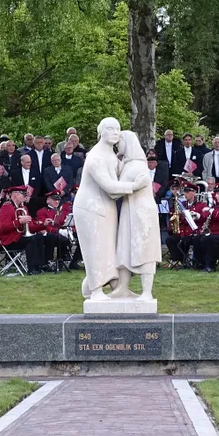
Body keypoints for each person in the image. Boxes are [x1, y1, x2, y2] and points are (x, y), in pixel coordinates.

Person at [73, 117, 149, 300]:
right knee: (95, 248)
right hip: (90, 207)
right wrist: (135, 185)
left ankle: (117, 288)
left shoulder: (111, 155)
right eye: (110, 128)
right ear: (100, 132)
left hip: (107, 207)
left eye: (117, 129)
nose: (115, 132)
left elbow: (120, 177)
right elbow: (110, 187)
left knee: (109, 249)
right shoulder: (95, 156)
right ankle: (96, 290)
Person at [113, 130, 162, 299]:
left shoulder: (136, 165)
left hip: (141, 213)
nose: (117, 145)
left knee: (144, 249)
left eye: (119, 142)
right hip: (131, 210)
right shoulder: (130, 164)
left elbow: (116, 191)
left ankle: (146, 292)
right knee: (125, 247)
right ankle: (123, 287)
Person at [0, 185, 47, 275]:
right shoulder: (7, 207)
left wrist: (43, 225)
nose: (25, 196)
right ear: (15, 195)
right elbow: (3, 227)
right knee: (31, 240)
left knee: (38, 237)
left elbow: (30, 227)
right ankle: (32, 268)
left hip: (19, 237)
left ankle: (41, 266)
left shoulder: (23, 208)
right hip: (9, 240)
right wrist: (19, 221)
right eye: (23, 194)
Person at [165, 183, 205, 266]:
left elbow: (203, 218)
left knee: (185, 240)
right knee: (169, 239)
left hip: (193, 232)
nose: (185, 194)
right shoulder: (183, 205)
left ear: (193, 193)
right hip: (182, 232)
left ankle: (186, 260)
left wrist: (195, 215)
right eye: (185, 192)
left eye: (188, 192)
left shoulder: (201, 205)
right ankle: (179, 259)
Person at [35, 191, 72, 267]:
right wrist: (58, 231)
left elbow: (65, 222)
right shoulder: (42, 211)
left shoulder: (61, 211)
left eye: (58, 200)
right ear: (48, 200)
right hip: (49, 234)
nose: (57, 202)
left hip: (61, 233)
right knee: (57, 238)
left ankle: (72, 261)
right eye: (55, 200)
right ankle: (51, 261)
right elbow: (44, 226)